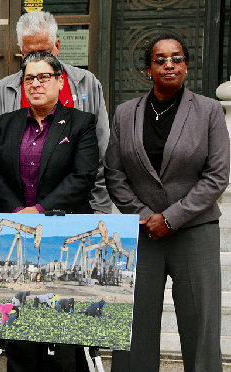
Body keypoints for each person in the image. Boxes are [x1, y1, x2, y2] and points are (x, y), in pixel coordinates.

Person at [104, 34, 229, 372]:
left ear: (186, 65)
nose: (169, 64)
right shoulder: (125, 113)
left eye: (176, 58)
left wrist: (171, 218)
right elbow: (114, 174)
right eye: (160, 59)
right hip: (142, 233)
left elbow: (216, 177)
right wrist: (145, 216)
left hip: (195, 231)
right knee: (134, 325)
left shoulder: (208, 111)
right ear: (149, 69)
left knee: (199, 324)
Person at [0, 51, 99, 372]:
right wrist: (19, 212)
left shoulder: (81, 123)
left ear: (59, 81)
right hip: (18, 235)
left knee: (65, 327)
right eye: (29, 78)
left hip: (64, 236)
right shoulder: (8, 122)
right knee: (20, 327)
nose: (36, 84)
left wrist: (40, 210)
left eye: (43, 77)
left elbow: (83, 176)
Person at [0, 10, 111, 214]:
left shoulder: (86, 83)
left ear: (57, 46)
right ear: (20, 49)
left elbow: (101, 147)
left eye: (44, 52)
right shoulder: (3, 89)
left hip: (75, 205)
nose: (37, 59)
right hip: (18, 202)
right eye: (29, 54)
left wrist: (99, 203)